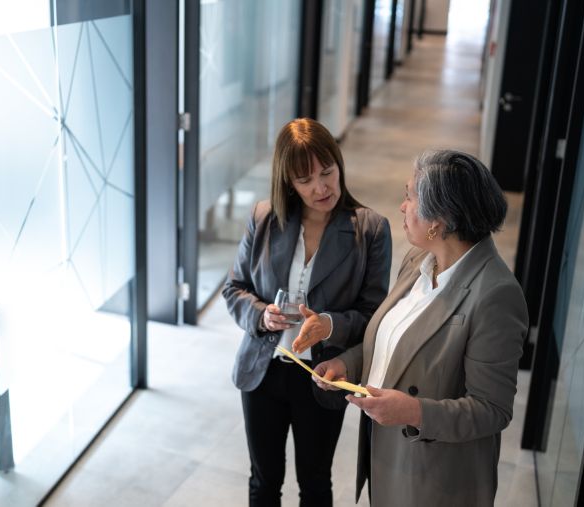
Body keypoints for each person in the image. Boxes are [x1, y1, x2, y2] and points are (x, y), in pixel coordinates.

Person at [303, 149, 529, 506]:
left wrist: (413, 411)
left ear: (438, 220)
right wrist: (348, 363)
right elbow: (395, 341)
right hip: (389, 453)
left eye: (409, 197)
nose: (402, 207)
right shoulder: (419, 259)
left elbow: (492, 410)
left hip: (435, 476)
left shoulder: (496, 295)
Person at [223, 118, 392, 507]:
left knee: (315, 485)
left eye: (328, 172)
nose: (321, 187)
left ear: (339, 165)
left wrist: (330, 324)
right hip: (264, 370)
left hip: (322, 377)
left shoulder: (370, 231)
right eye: (306, 180)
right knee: (263, 482)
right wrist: (262, 315)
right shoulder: (265, 219)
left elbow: (374, 316)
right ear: (288, 184)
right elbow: (234, 289)